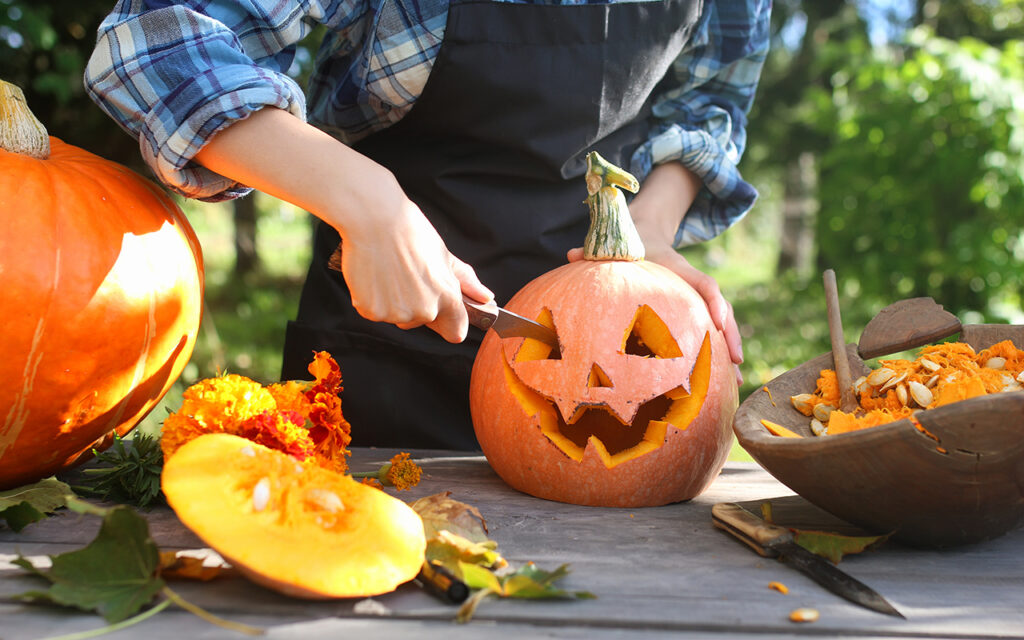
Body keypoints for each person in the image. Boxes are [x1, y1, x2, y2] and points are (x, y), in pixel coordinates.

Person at [85, 0, 771, 450]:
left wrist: (648, 232)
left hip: (607, 306)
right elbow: (154, 45)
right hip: (377, 342)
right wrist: (365, 201)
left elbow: (711, 99)